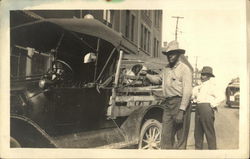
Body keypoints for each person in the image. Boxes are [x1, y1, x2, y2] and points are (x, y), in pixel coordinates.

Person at [146, 40, 193, 149]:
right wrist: (147, 75)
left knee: (181, 137)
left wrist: (182, 110)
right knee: (166, 136)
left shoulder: (184, 69)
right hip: (168, 104)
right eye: (168, 54)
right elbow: (158, 79)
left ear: (178, 54)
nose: (170, 56)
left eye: (172, 53)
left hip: (180, 103)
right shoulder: (166, 69)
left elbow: (187, 91)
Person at [192, 66, 218, 149]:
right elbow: (194, 96)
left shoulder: (212, 86)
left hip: (207, 108)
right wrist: (194, 99)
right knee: (197, 132)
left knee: (209, 131)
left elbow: (221, 96)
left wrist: (212, 104)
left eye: (205, 74)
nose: (202, 76)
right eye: (202, 74)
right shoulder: (199, 86)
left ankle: (212, 151)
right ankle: (198, 152)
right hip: (198, 108)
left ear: (209, 76)